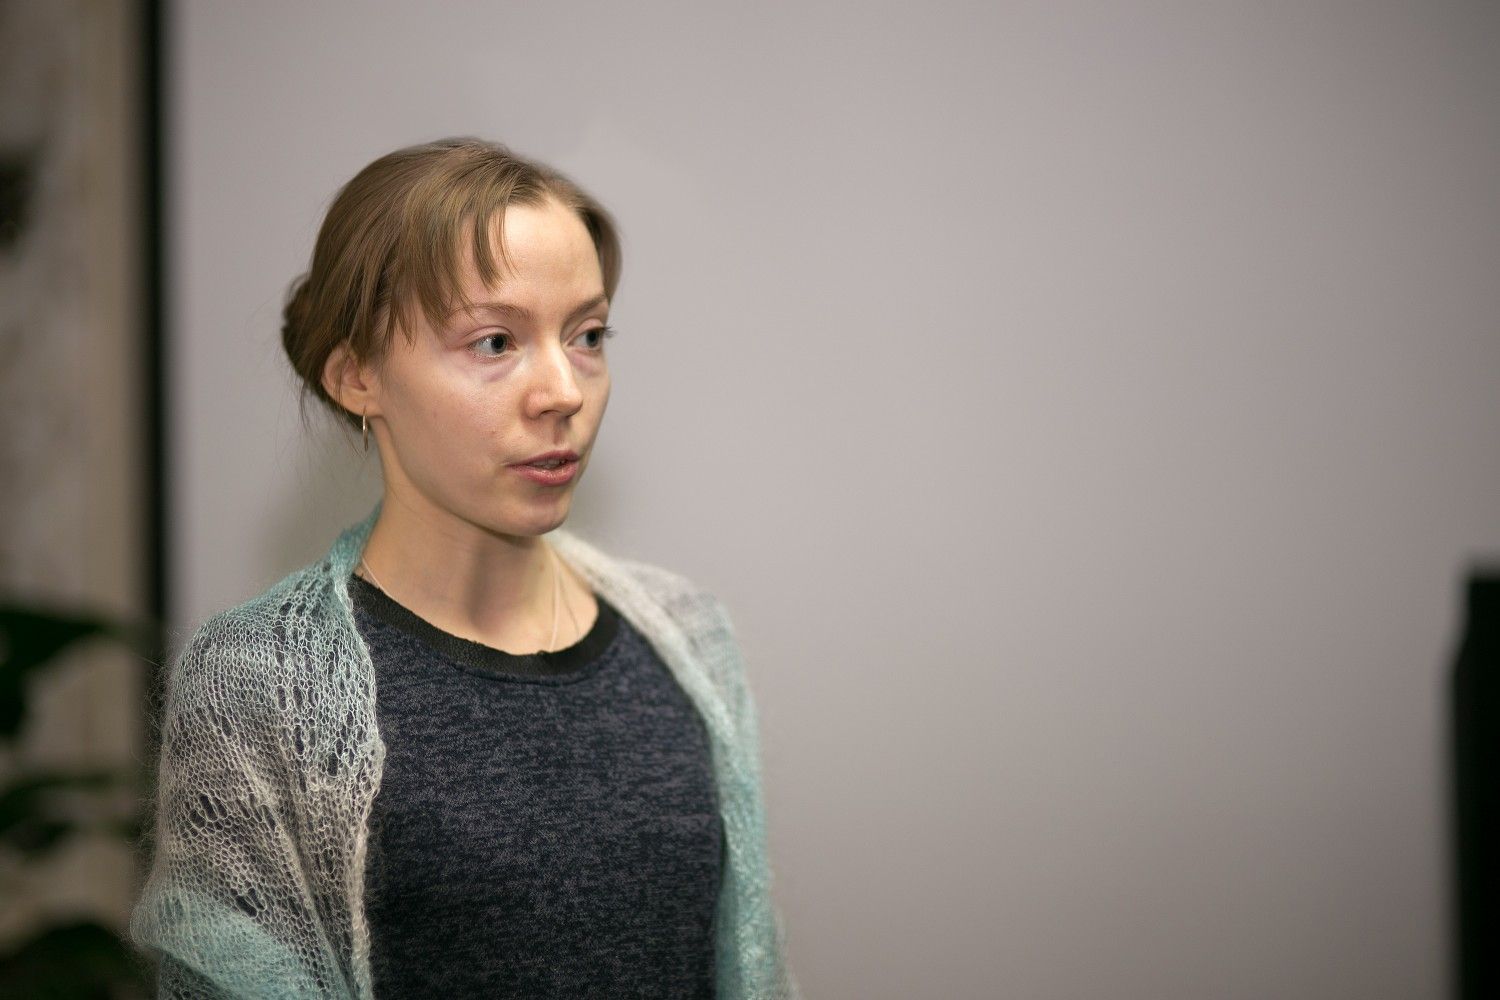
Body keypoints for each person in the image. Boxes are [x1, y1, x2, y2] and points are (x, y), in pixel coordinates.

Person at [128, 136, 799, 999]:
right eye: (494, 342)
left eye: (588, 335)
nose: (564, 391)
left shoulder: (689, 640)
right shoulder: (256, 684)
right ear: (357, 376)